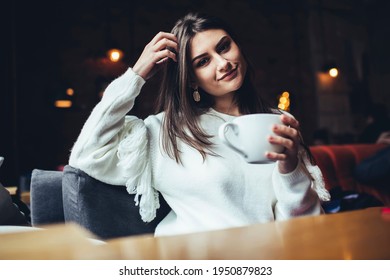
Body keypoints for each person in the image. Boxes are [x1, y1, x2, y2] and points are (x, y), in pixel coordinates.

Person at [69, 12, 330, 236]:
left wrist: (290, 168)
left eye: (224, 46)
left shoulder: (278, 122)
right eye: (203, 61)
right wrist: (136, 75)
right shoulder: (164, 132)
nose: (223, 63)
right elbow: (86, 156)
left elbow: (304, 227)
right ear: (191, 80)